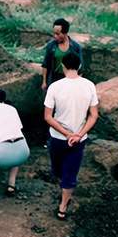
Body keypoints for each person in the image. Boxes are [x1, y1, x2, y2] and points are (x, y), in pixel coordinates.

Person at [44, 51, 99, 221]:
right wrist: (79, 134)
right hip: (78, 140)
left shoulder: (55, 86)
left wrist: (67, 134)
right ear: (80, 66)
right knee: (70, 172)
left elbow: (47, 116)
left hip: (58, 138)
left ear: (63, 66)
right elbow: (94, 115)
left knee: (59, 170)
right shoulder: (90, 85)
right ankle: (63, 204)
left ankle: (63, 201)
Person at [41, 18, 83, 91]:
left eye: (57, 34)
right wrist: (44, 81)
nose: (55, 36)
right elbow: (45, 64)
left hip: (70, 78)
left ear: (65, 33)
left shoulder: (75, 47)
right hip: (54, 78)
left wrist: (77, 82)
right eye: (54, 33)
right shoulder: (51, 46)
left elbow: (80, 66)